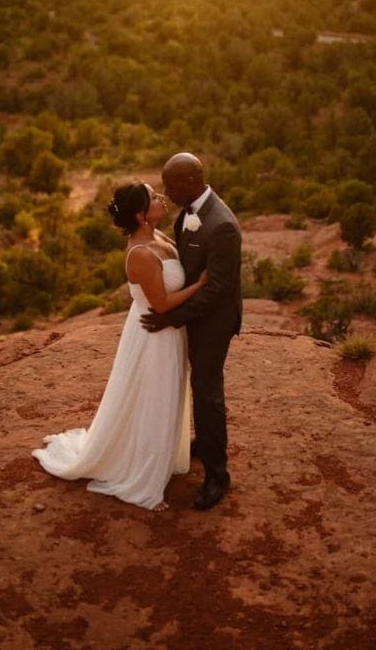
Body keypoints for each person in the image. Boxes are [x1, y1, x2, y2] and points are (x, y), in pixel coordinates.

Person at [32, 181, 206, 511]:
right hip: (153, 337)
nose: (161, 198)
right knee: (154, 400)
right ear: (141, 215)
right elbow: (162, 304)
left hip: (168, 332)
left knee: (165, 396)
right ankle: (143, 478)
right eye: (153, 197)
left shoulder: (157, 236)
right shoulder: (140, 254)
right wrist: (200, 285)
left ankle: (161, 455)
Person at [141, 153, 242, 511]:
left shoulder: (221, 224)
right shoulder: (188, 213)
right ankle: (205, 442)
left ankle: (217, 476)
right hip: (196, 316)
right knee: (196, 385)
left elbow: (218, 289)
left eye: (170, 186)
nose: (166, 193)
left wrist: (173, 317)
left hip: (214, 323)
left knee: (207, 391)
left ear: (190, 182)